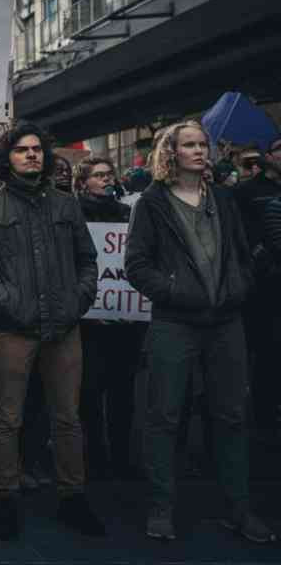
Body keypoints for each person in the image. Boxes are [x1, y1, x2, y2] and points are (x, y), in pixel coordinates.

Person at [125, 121, 274, 543]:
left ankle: (239, 508)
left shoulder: (223, 199)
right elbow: (137, 266)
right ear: (170, 152)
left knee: (231, 417)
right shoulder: (152, 203)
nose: (198, 150)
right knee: (164, 416)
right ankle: (161, 506)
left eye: (202, 144)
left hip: (226, 322)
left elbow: (243, 255)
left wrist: (238, 288)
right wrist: (175, 292)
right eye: (189, 144)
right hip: (174, 322)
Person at [0, 122, 105, 540]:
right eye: (21, 150)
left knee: (67, 416)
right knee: (7, 417)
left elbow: (88, 261)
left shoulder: (67, 205)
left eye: (36, 150)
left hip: (63, 326)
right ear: (6, 158)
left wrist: (75, 302)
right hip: (12, 328)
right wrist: (12, 303)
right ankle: (5, 499)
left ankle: (72, 497)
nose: (31, 155)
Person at [72, 157, 142, 481]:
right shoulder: (74, 215)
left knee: (123, 392)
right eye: (98, 175)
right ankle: (96, 454)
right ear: (84, 182)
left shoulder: (129, 215)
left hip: (125, 321)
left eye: (109, 174)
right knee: (90, 391)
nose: (106, 179)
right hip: (88, 323)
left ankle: (122, 455)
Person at [235, 134, 281, 442]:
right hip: (263, 287)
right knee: (266, 353)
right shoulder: (246, 191)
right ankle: (264, 420)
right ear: (271, 156)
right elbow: (239, 235)